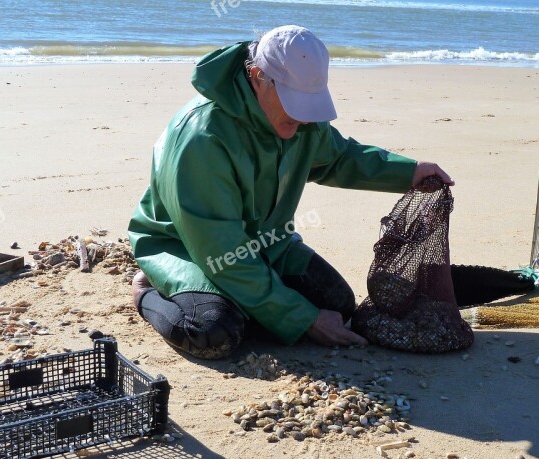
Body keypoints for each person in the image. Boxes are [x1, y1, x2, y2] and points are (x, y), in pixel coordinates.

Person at [128, 25, 454, 359]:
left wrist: (407, 171)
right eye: (293, 104)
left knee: (338, 304)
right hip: (188, 248)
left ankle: (251, 303)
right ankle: (147, 293)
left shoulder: (301, 121)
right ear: (257, 76)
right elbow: (225, 256)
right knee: (214, 332)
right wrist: (305, 318)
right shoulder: (203, 139)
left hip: (269, 241)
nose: (301, 119)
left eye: (308, 105)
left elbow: (339, 158)